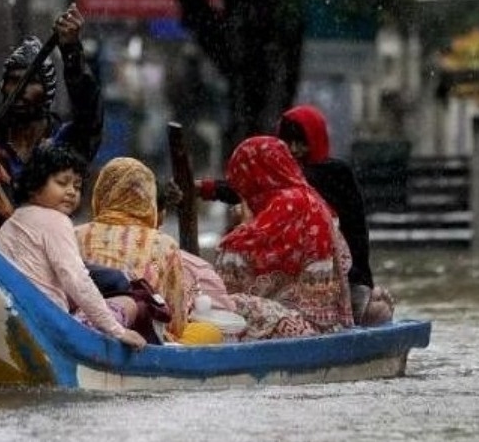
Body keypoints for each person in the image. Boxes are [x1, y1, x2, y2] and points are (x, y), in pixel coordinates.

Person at [197, 104, 393, 325]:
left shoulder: (320, 179)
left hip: (343, 279)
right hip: (312, 283)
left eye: (301, 143)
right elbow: (254, 183)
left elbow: (256, 182)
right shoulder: (293, 191)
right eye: (288, 143)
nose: (295, 150)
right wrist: (209, 189)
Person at [0, 3, 104, 240]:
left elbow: (90, 115)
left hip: (50, 261)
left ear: (47, 91)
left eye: (30, 82)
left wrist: (71, 50)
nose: (20, 89)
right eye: (12, 81)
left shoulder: (64, 144)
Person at [0, 144, 147, 350]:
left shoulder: (12, 222)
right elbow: (76, 279)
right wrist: (117, 331)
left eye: (76, 186)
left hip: (10, 320)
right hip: (49, 327)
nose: (71, 192)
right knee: (128, 304)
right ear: (34, 186)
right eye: (62, 182)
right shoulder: (56, 220)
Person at [215, 136, 355, 340]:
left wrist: (241, 226)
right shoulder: (309, 196)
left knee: (224, 302)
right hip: (326, 323)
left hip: (304, 327)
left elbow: (238, 252)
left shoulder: (290, 202)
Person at [77, 157, 218, 344]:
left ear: (101, 193)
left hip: (80, 329)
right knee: (209, 332)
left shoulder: (75, 234)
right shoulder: (164, 244)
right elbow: (175, 322)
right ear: (149, 198)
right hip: (144, 338)